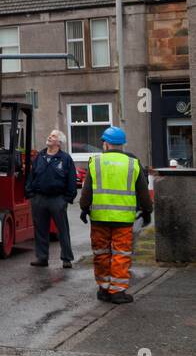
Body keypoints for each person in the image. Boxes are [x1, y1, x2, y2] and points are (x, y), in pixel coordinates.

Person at [79, 126, 152, 304]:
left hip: (99, 218)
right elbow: (143, 192)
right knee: (121, 254)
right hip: (123, 220)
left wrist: (84, 208)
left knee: (101, 254)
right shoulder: (132, 164)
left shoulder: (95, 162)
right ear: (122, 144)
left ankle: (104, 289)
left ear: (106, 143)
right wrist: (147, 211)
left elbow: (86, 191)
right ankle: (117, 292)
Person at [25, 129, 78, 268]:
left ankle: (66, 258)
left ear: (59, 142)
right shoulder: (40, 156)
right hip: (39, 199)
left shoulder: (65, 159)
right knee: (40, 230)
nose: (49, 136)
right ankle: (42, 258)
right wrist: (30, 193)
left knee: (62, 230)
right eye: (50, 134)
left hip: (57, 199)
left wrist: (66, 199)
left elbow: (72, 180)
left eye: (53, 136)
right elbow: (32, 176)